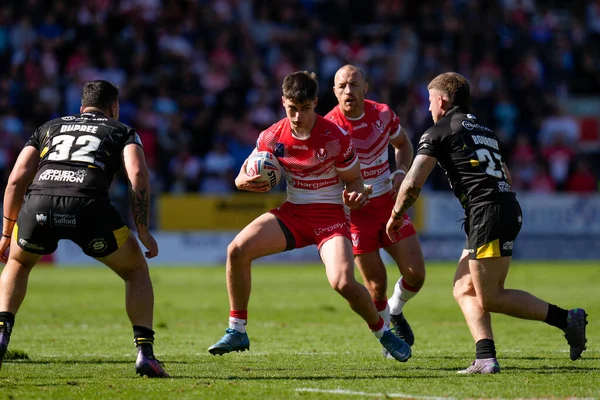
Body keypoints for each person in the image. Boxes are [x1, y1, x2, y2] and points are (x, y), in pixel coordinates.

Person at [386, 72, 588, 374]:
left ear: (442, 100)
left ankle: (566, 319)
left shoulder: (437, 132)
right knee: (463, 287)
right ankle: (485, 356)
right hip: (502, 207)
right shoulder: (483, 130)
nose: (428, 108)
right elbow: (504, 173)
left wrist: (396, 215)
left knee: (491, 296)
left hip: (486, 213)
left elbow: (413, 182)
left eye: (430, 101)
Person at [208, 71, 411, 362]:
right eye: (293, 108)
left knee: (342, 282)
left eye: (305, 108)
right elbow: (242, 175)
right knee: (237, 251)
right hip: (293, 212)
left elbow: (354, 179)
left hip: (330, 217)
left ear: (315, 102)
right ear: (283, 103)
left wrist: (355, 194)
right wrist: (247, 183)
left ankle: (383, 332)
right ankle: (237, 329)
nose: (298, 116)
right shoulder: (272, 136)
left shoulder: (335, 137)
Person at [0, 80, 169, 378]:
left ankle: (1, 334)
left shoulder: (48, 127)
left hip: (39, 206)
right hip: (89, 207)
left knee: (18, 262)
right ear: (113, 108)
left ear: (81, 108)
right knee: (135, 271)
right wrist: (142, 228)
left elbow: (16, 179)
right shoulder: (122, 130)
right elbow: (138, 174)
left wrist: (6, 232)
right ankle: (145, 352)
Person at [325, 65, 425, 355]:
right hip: (355, 216)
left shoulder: (382, 114)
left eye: (354, 84)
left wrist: (401, 172)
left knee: (416, 275)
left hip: (389, 206)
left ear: (365, 87)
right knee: (375, 285)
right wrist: (345, 198)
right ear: (334, 92)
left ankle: (395, 309)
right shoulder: (329, 127)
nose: (348, 91)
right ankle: (388, 337)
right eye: (341, 86)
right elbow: (326, 178)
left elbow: (403, 144)